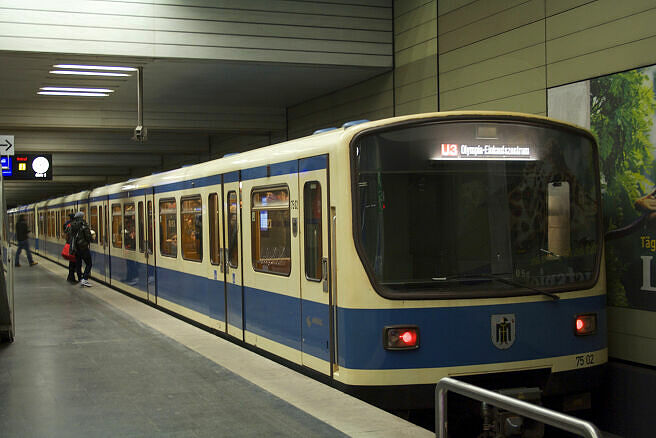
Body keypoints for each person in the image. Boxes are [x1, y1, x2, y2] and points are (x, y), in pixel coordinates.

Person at [70, 211, 93, 287]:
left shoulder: (72, 225)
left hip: (76, 248)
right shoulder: (83, 225)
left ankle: (80, 278)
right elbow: (88, 236)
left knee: (78, 264)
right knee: (89, 263)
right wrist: (91, 239)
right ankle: (85, 279)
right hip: (83, 247)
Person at [63, 213, 79, 283]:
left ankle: (70, 277)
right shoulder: (75, 225)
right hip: (74, 246)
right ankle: (71, 278)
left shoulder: (67, 225)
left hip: (69, 245)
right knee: (73, 262)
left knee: (72, 262)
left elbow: (65, 234)